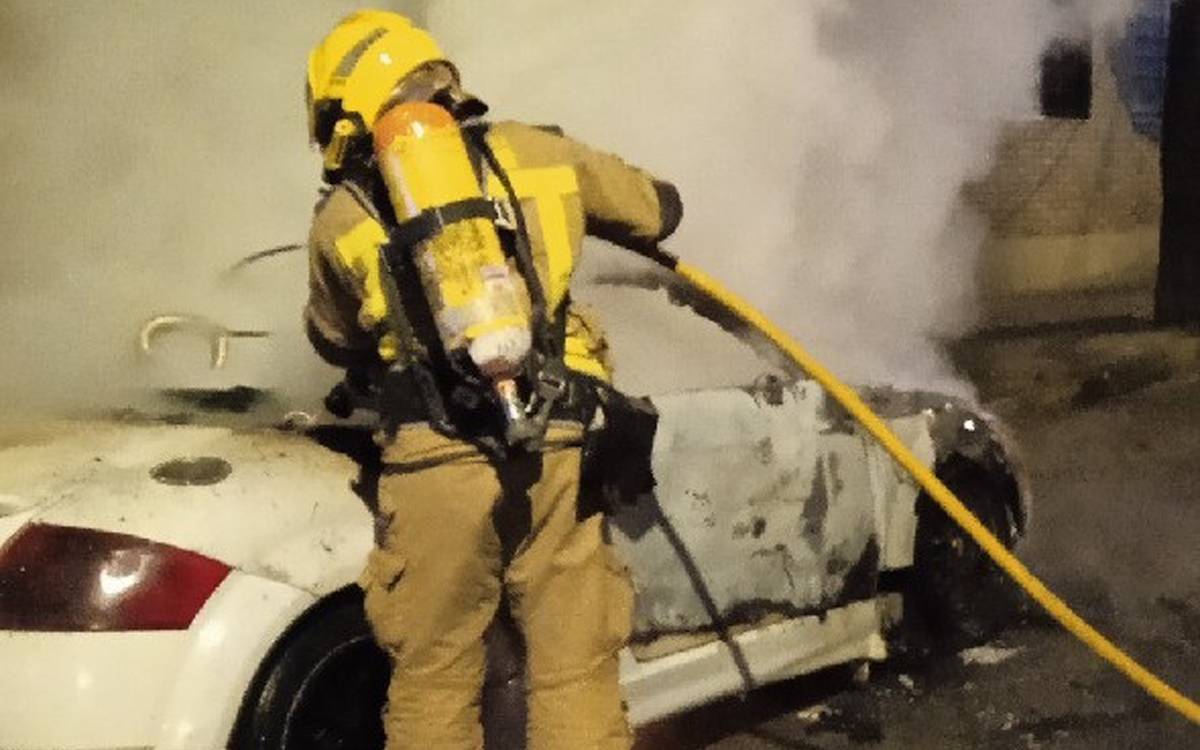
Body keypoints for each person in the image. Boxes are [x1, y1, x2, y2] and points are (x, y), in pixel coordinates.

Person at [302, 10, 682, 750]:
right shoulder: (537, 153)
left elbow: (330, 339)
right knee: (572, 670)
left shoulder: (339, 217)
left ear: (344, 112)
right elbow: (658, 210)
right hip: (555, 443)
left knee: (434, 682)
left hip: (434, 465)